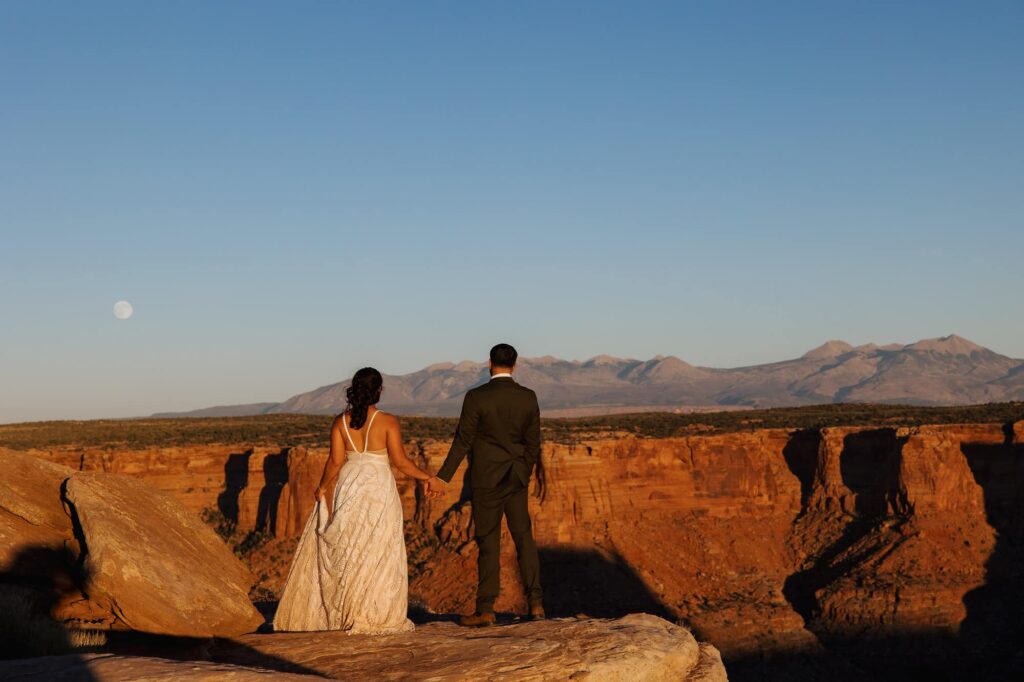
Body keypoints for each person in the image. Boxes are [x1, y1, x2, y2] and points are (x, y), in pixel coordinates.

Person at [273, 367, 438, 633]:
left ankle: (348, 612)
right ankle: (374, 612)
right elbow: (401, 462)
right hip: (378, 488)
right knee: (379, 548)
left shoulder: (340, 422)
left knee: (351, 549)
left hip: (350, 485)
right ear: (379, 390)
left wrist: (322, 487)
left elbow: (335, 461)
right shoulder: (388, 421)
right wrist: (428, 477)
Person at [429, 343, 544, 626]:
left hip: (486, 479)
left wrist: (443, 476)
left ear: (489, 363)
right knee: (524, 540)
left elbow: (462, 440)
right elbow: (533, 443)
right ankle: (537, 604)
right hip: (516, 477)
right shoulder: (528, 397)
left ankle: (486, 609)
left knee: (488, 542)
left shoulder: (476, 397)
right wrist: (524, 472)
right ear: (515, 365)